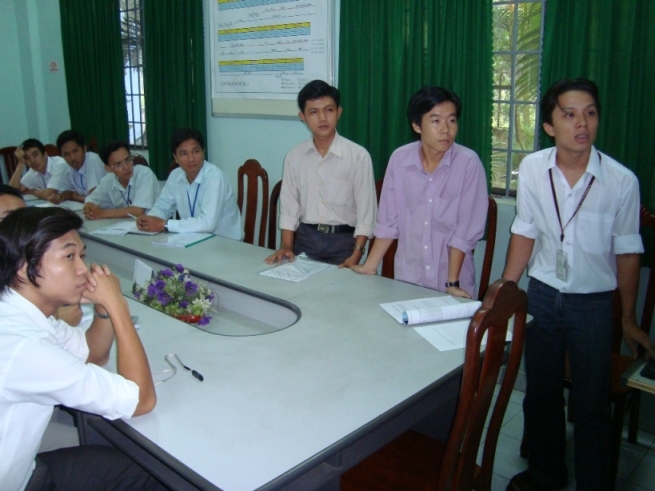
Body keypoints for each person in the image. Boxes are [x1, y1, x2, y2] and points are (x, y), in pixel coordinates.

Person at [503, 78, 654, 491]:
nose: (582, 123)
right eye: (569, 115)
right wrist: (506, 291)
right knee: (541, 394)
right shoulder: (533, 169)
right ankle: (545, 473)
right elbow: (525, 231)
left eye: (590, 113)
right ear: (549, 126)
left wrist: (628, 318)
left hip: (593, 304)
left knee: (591, 404)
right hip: (542, 295)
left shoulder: (621, 181)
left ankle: (593, 483)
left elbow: (628, 252)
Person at [0, 207, 163, 491]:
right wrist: (117, 306)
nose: (83, 270)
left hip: (22, 468)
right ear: (25, 269)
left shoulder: (20, 313)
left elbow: (91, 354)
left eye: (82, 256)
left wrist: (103, 309)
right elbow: (141, 401)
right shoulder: (26, 347)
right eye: (69, 256)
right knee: (152, 471)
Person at [351, 86, 488, 299]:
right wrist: (370, 266)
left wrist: (452, 282)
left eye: (451, 120)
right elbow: (388, 222)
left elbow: (464, 232)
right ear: (416, 125)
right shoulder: (399, 160)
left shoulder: (468, 164)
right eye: (436, 121)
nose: (445, 129)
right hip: (408, 277)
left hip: (451, 280)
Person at [264, 80, 377, 267]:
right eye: (314, 112)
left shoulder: (358, 156)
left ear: (339, 112)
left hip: (344, 242)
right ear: (303, 117)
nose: (323, 118)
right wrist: (286, 246)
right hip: (306, 239)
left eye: (329, 110)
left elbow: (367, 212)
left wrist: (357, 253)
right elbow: (289, 206)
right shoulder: (295, 156)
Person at [137, 127, 242, 240]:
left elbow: (208, 223)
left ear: (203, 152)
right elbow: (162, 207)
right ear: (175, 158)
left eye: (195, 151)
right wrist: (148, 220)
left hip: (224, 243)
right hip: (192, 239)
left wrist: (165, 225)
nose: (191, 159)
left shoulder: (215, 178)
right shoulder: (175, 175)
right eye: (184, 153)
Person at [83, 141, 160, 220]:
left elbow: (138, 211)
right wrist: (89, 207)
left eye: (128, 159)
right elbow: (91, 199)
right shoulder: (108, 181)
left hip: (152, 223)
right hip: (124, 224)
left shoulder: (144, 174)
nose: (126, 167)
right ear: (108, 169)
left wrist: (102, 214)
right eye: (118, 164)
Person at [44, 130, 107, 204]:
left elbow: (96, 200)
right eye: (66, 154)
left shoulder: (92, 160)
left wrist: (75, 197)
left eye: (75, 151)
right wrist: (59, 197)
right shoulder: (67, 166)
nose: (72, 158)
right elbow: (68, 191)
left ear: (84, 149)